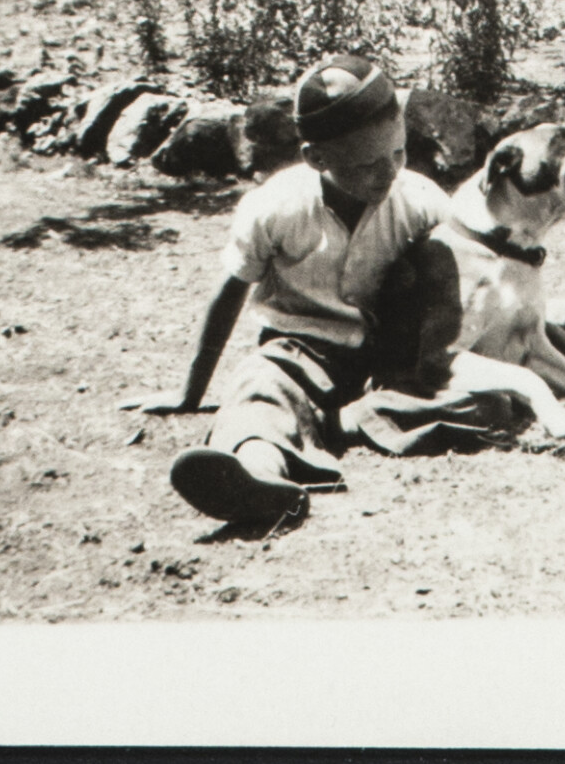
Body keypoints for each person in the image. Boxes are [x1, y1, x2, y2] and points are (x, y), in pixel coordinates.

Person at [123, 53, 455, 524]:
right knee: (260, 388)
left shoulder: (422, 203)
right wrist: (191, 393)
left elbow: (468, 287)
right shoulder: (276, 206)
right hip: (301, 352)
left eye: (397, 154)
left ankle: (341, 420)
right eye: (366, 165)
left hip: (394, 357)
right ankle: (258, 477)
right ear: (317, 158)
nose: (388, 173)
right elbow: (230, 293)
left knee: (477, 399)